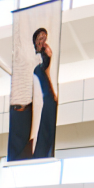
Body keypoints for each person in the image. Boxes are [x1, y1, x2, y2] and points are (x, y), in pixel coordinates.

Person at [31, 27, 58, 159]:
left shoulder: (45, 55)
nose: (43, 41)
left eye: (44, 38)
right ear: (35, 41)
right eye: (40, 38)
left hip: (45, 92)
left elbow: (46, 69)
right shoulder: (36, 62)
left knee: (51, 104)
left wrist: (49, 56)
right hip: (38, 93)